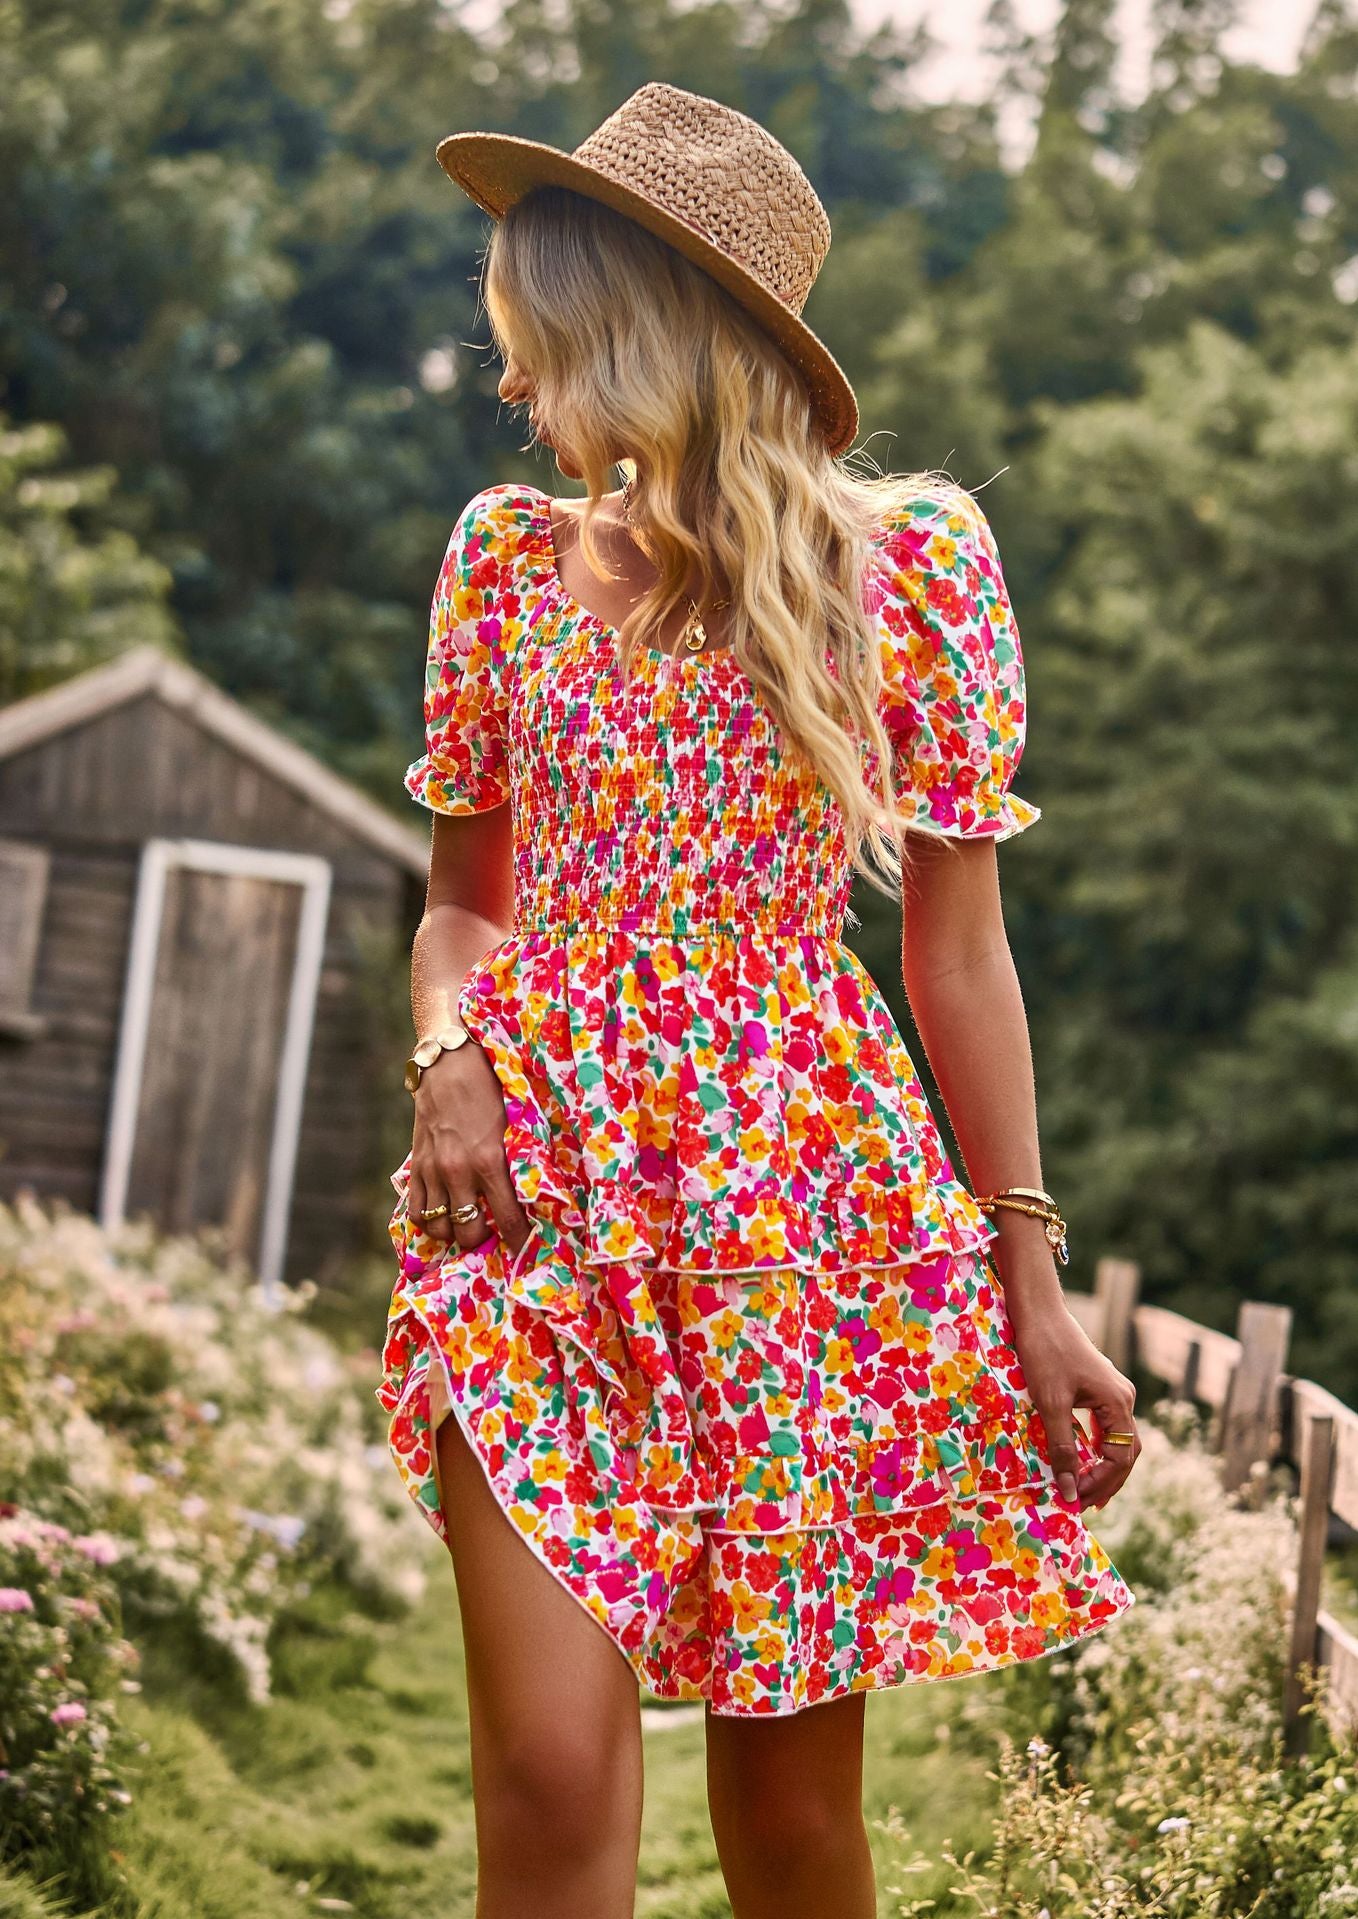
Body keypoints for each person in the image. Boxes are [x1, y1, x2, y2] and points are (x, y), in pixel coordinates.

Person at [377, 80, 1140, 1919]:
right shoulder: (500, 568)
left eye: (528, 341)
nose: (507, 387)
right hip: (531, 1205)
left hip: (801, 1219)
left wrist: (1025, 1272)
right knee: (552, 1781)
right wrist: (448, 1059)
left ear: (629, 327)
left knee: (791, 1834)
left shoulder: (915, 568)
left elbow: (954, 952)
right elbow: (458, 912)